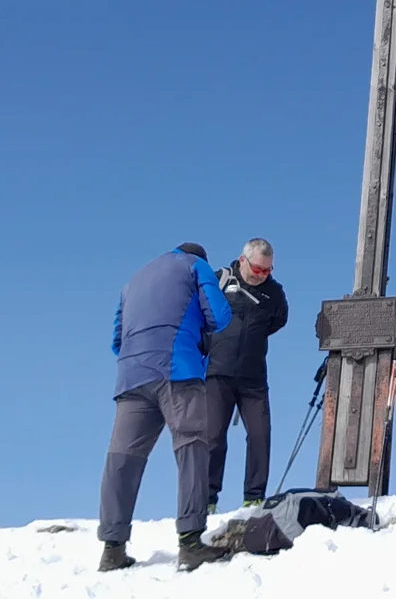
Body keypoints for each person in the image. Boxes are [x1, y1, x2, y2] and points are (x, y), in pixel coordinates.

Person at [97, 242, 236, 572]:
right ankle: (190, 544)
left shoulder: (133, 280)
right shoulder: (195, 266)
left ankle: (112, 548)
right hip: (176, 370)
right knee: (192, 448)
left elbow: (116, 340)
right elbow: (220, 316)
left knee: (122, 459)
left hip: (131, 376)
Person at [204, 238, 289, 513]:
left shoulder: (274, 293)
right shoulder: (220, 281)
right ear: (242, 261)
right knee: (213, 437)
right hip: (218, 372)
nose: (262, 275)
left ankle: (254, 498)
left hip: (253, 378)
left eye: (268, 270)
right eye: (257, 269)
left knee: (260, 436)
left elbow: (278, 321)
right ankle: (207, 499)